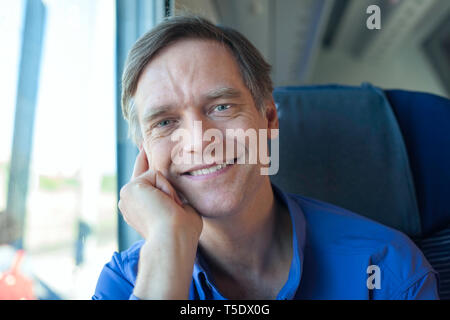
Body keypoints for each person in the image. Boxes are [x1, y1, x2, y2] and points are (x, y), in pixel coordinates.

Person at [93, 15, 439, 300]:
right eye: (165, 122)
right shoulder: (125, 284)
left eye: (222, 106)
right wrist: (168, 242)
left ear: (269, 120)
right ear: (145, 154)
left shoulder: (388, 269)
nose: (199, 142)